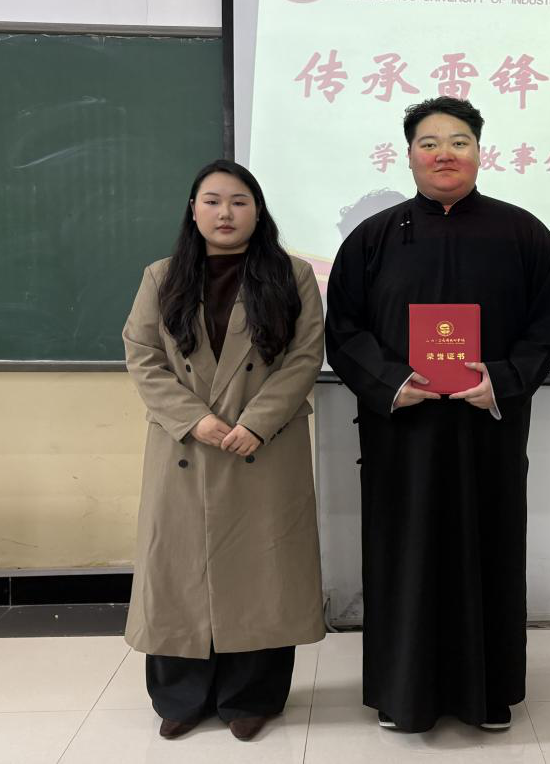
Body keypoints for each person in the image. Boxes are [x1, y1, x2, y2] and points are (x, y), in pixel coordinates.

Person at [325, 97, 550, 733]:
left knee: (491, 552)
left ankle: (489, 693)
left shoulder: (524, 234)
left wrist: (503, 381)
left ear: (480, 152)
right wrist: (390, 381)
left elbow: (548, 324)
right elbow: (343, 328)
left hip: (489, 428)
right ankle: (401, 694)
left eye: (459, 142)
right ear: (408, 156)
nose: (444, 155)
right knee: (403, 556)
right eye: (429, 143)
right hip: (401, 432)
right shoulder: (373, 238)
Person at [122, 160, 325, 742]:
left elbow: (305, 356)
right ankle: (181, 697)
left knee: (263, 572)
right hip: (185, 445)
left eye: (239, 201)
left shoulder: (292, 275)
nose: (225, 213)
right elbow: (143, 356)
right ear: (193, 210)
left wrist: (257, 422)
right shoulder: (162, 276)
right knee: (177, 571)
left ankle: (251, 697)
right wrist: (195, 419)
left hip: (263, 446)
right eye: (212, 201)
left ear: (258, 211)